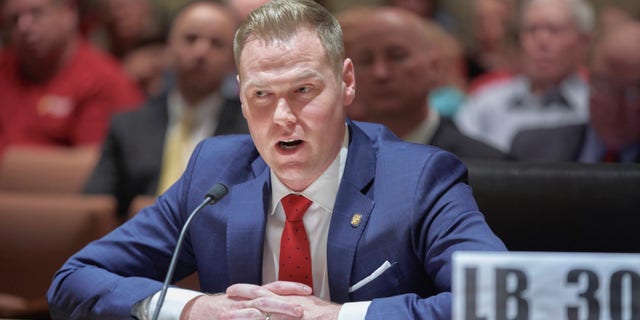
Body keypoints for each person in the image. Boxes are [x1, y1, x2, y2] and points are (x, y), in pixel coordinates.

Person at [47, 1, 506, 319]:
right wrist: (193, 308)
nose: (283, 117)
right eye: (261, 95)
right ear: (241, 101)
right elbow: (74, 280)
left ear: (346, 83)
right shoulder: (215, 171)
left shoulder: (419, 179)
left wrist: (343, 317)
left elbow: (496, 300)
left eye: (304, 91)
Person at [83, 1, 248, 217]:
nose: (201, 51)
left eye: (216, 43)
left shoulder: (250, 132)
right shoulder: (128, 127)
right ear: (168, 48)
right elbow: (92, 209)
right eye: (190, 39)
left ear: (233, 59)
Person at [338, 6, 508, 159]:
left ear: (434, 67)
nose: (380, 73)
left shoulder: (489, 165)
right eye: (366, 60)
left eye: (397, 56)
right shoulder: (335, 162)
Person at [0, 0, 143, 155]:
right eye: (15, 19)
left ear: (68, 13)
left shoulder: (104, 80)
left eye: (36, 13)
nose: (24, 27)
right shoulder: (5, 68)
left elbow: (93, 170)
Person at [454, 0, 593, 153]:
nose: (541, 41)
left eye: (554, 30)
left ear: (583, 41)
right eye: (531, 30)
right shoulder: (484, 105)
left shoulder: (597, 109)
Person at [509, 20, 640, 162]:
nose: (615, 108)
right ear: (588, 79)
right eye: (604, 88)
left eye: (632, 94)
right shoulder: (531, 149)